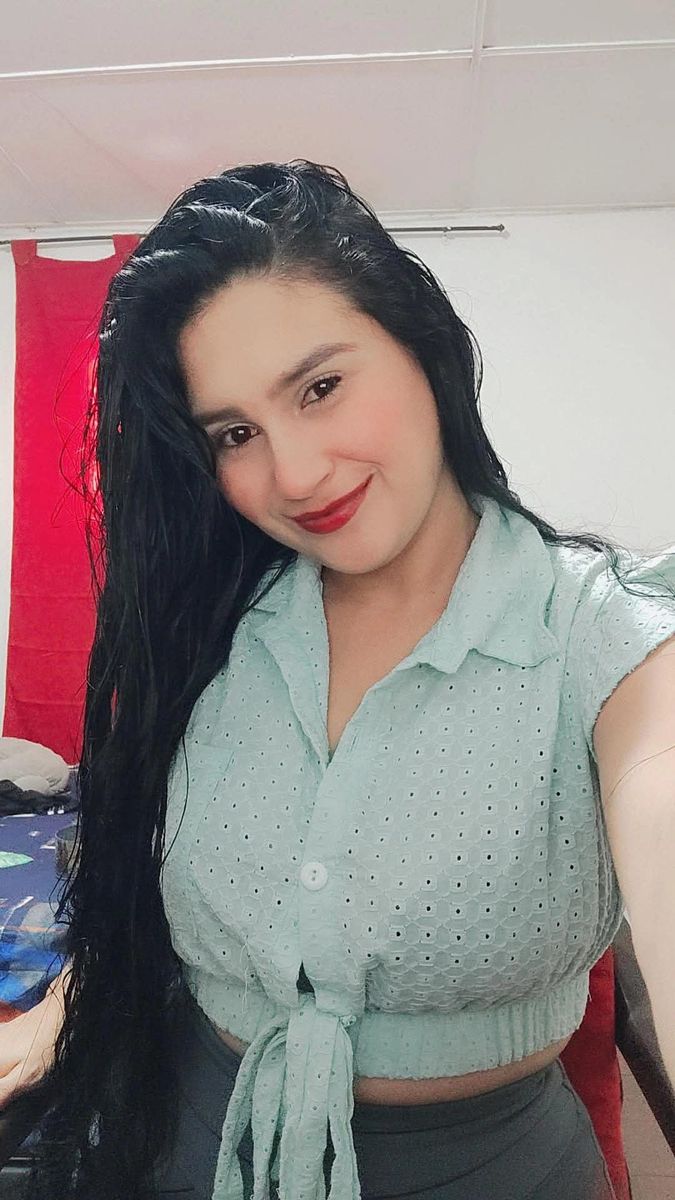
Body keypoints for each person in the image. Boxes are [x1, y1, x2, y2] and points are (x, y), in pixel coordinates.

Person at [1, 158, 674, 1200]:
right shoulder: (216, 626)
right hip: (176, 1148)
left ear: (422, 347)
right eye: (235, 434)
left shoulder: (605, 636)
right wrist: (67, 1001)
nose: (296, 474)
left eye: (320, 388)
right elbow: (164, 878)